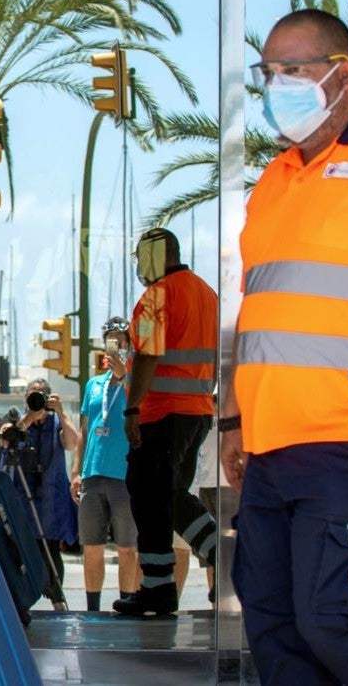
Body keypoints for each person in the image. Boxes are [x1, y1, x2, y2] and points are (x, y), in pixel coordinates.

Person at [222, 9, 348, 684]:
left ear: (343, 74)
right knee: (277, 632)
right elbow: (260, 313)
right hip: (271, 452)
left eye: (293, 70)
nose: (278, 85)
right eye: (268, 73)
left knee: (341, 626)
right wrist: (236, 419)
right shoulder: (275, 180)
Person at [113, 228, 219, 617]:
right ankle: (221, 555)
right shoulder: (206, 293)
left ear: (155, 256)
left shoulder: (157, 296)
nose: (139, 265)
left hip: (162, 415)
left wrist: (132, 409)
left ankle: (157, 589)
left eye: (141, 257)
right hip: (197, 413)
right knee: (171, 495)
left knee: (148, 496)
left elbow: (147, 356)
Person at [70, 318, 138, 612]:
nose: (115, 346)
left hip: (124, 474)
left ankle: (126, 603)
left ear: (129, 344)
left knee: (127, 548)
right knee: (91, 547)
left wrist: (124, 377)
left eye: (120, 340)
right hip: (93, 473)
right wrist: (76, 471)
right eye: (110, 340)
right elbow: (85, 429)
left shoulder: (136, 381)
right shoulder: (93, 385)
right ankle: (93, 609)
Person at [0, 378, 79, 604]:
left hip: (52, 498)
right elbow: (8, 439)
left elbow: (72, 443)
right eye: (33, 395)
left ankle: (56, 599)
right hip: (23, 496)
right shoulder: (17, 419)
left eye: (41, 395)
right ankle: (22, 601)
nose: (37, 399)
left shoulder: (56, 422)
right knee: (20, 550)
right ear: (25, 398)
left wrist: (62, 413)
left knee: (51, 549)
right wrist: (30, 417)